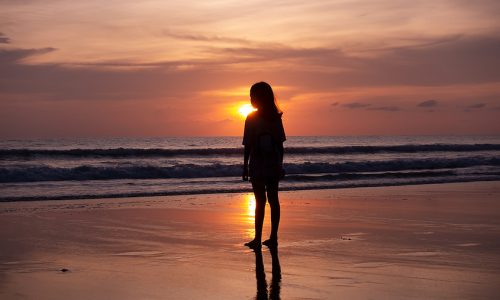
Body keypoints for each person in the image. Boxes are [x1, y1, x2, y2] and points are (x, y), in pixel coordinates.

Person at [242, 81, 286, 249]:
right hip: (272, 163)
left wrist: (245, 166)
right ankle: (272, 237)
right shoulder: (276, 118)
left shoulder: (252, 118)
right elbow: (280, 145)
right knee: (273, 199)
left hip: (258, 164)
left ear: (260, 98)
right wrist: (279, 164)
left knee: (260, 201)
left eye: (253, 96)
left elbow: (248, 145)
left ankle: (258, 238)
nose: (251, 98)